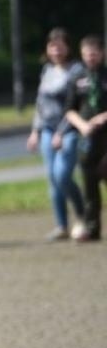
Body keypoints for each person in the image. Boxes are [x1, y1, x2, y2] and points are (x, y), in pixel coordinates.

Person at [30, 28, 87, 242]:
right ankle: (61, 225)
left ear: (68, 47)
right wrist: (35, 131)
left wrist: (62, 133)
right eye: (52, 46)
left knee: (63, 176)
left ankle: (82, 216)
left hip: (69, 130)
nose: (56, 50)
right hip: (47, 129)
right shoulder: (47, 71)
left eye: (60, 46)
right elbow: (40, 104)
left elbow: (75, 105)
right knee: (53, 179)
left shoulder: (76, 70)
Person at [66, 35, 107, 242]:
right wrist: (83, 125)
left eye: (94, 53)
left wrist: (102, 118)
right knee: (89, 186)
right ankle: (92, 229)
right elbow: (70, 110)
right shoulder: (77, 77)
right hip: (88, 138)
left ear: (102, 53)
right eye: (86, 54)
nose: (90, 57)